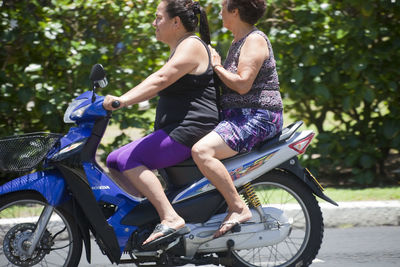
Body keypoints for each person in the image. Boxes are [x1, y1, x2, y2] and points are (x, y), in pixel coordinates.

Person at [103, 0, 219, 247]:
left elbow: (161, 79)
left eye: (158, 18)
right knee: (113, 160)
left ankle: (170, 217)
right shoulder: (182, 46)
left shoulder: (191, 45)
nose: (153, 23)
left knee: (129, 161)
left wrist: (121, 101)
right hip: (177, 128)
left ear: (176, 22)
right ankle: (145, 219)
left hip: (191, 129)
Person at [191, 0, 283, 238]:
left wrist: (217, 66)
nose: (220, 12)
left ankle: (238, 207)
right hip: (238, 117)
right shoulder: (238, 41)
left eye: (223, 7)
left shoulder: (254, 40)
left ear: (235, 11)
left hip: (258, 116)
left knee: (201, 151)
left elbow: (242, 84)